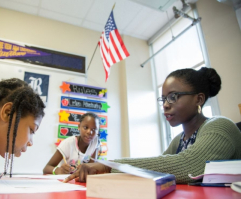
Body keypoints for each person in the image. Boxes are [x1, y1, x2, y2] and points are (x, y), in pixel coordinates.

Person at [63, 67, 241, 183]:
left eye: (173, 96)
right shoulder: (179, 140)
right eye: (163, 99)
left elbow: (189, 166)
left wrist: (110, 165)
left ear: (199, 99)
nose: (165, 104)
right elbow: (158, 171)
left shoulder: (220, 126)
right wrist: (106, 174)